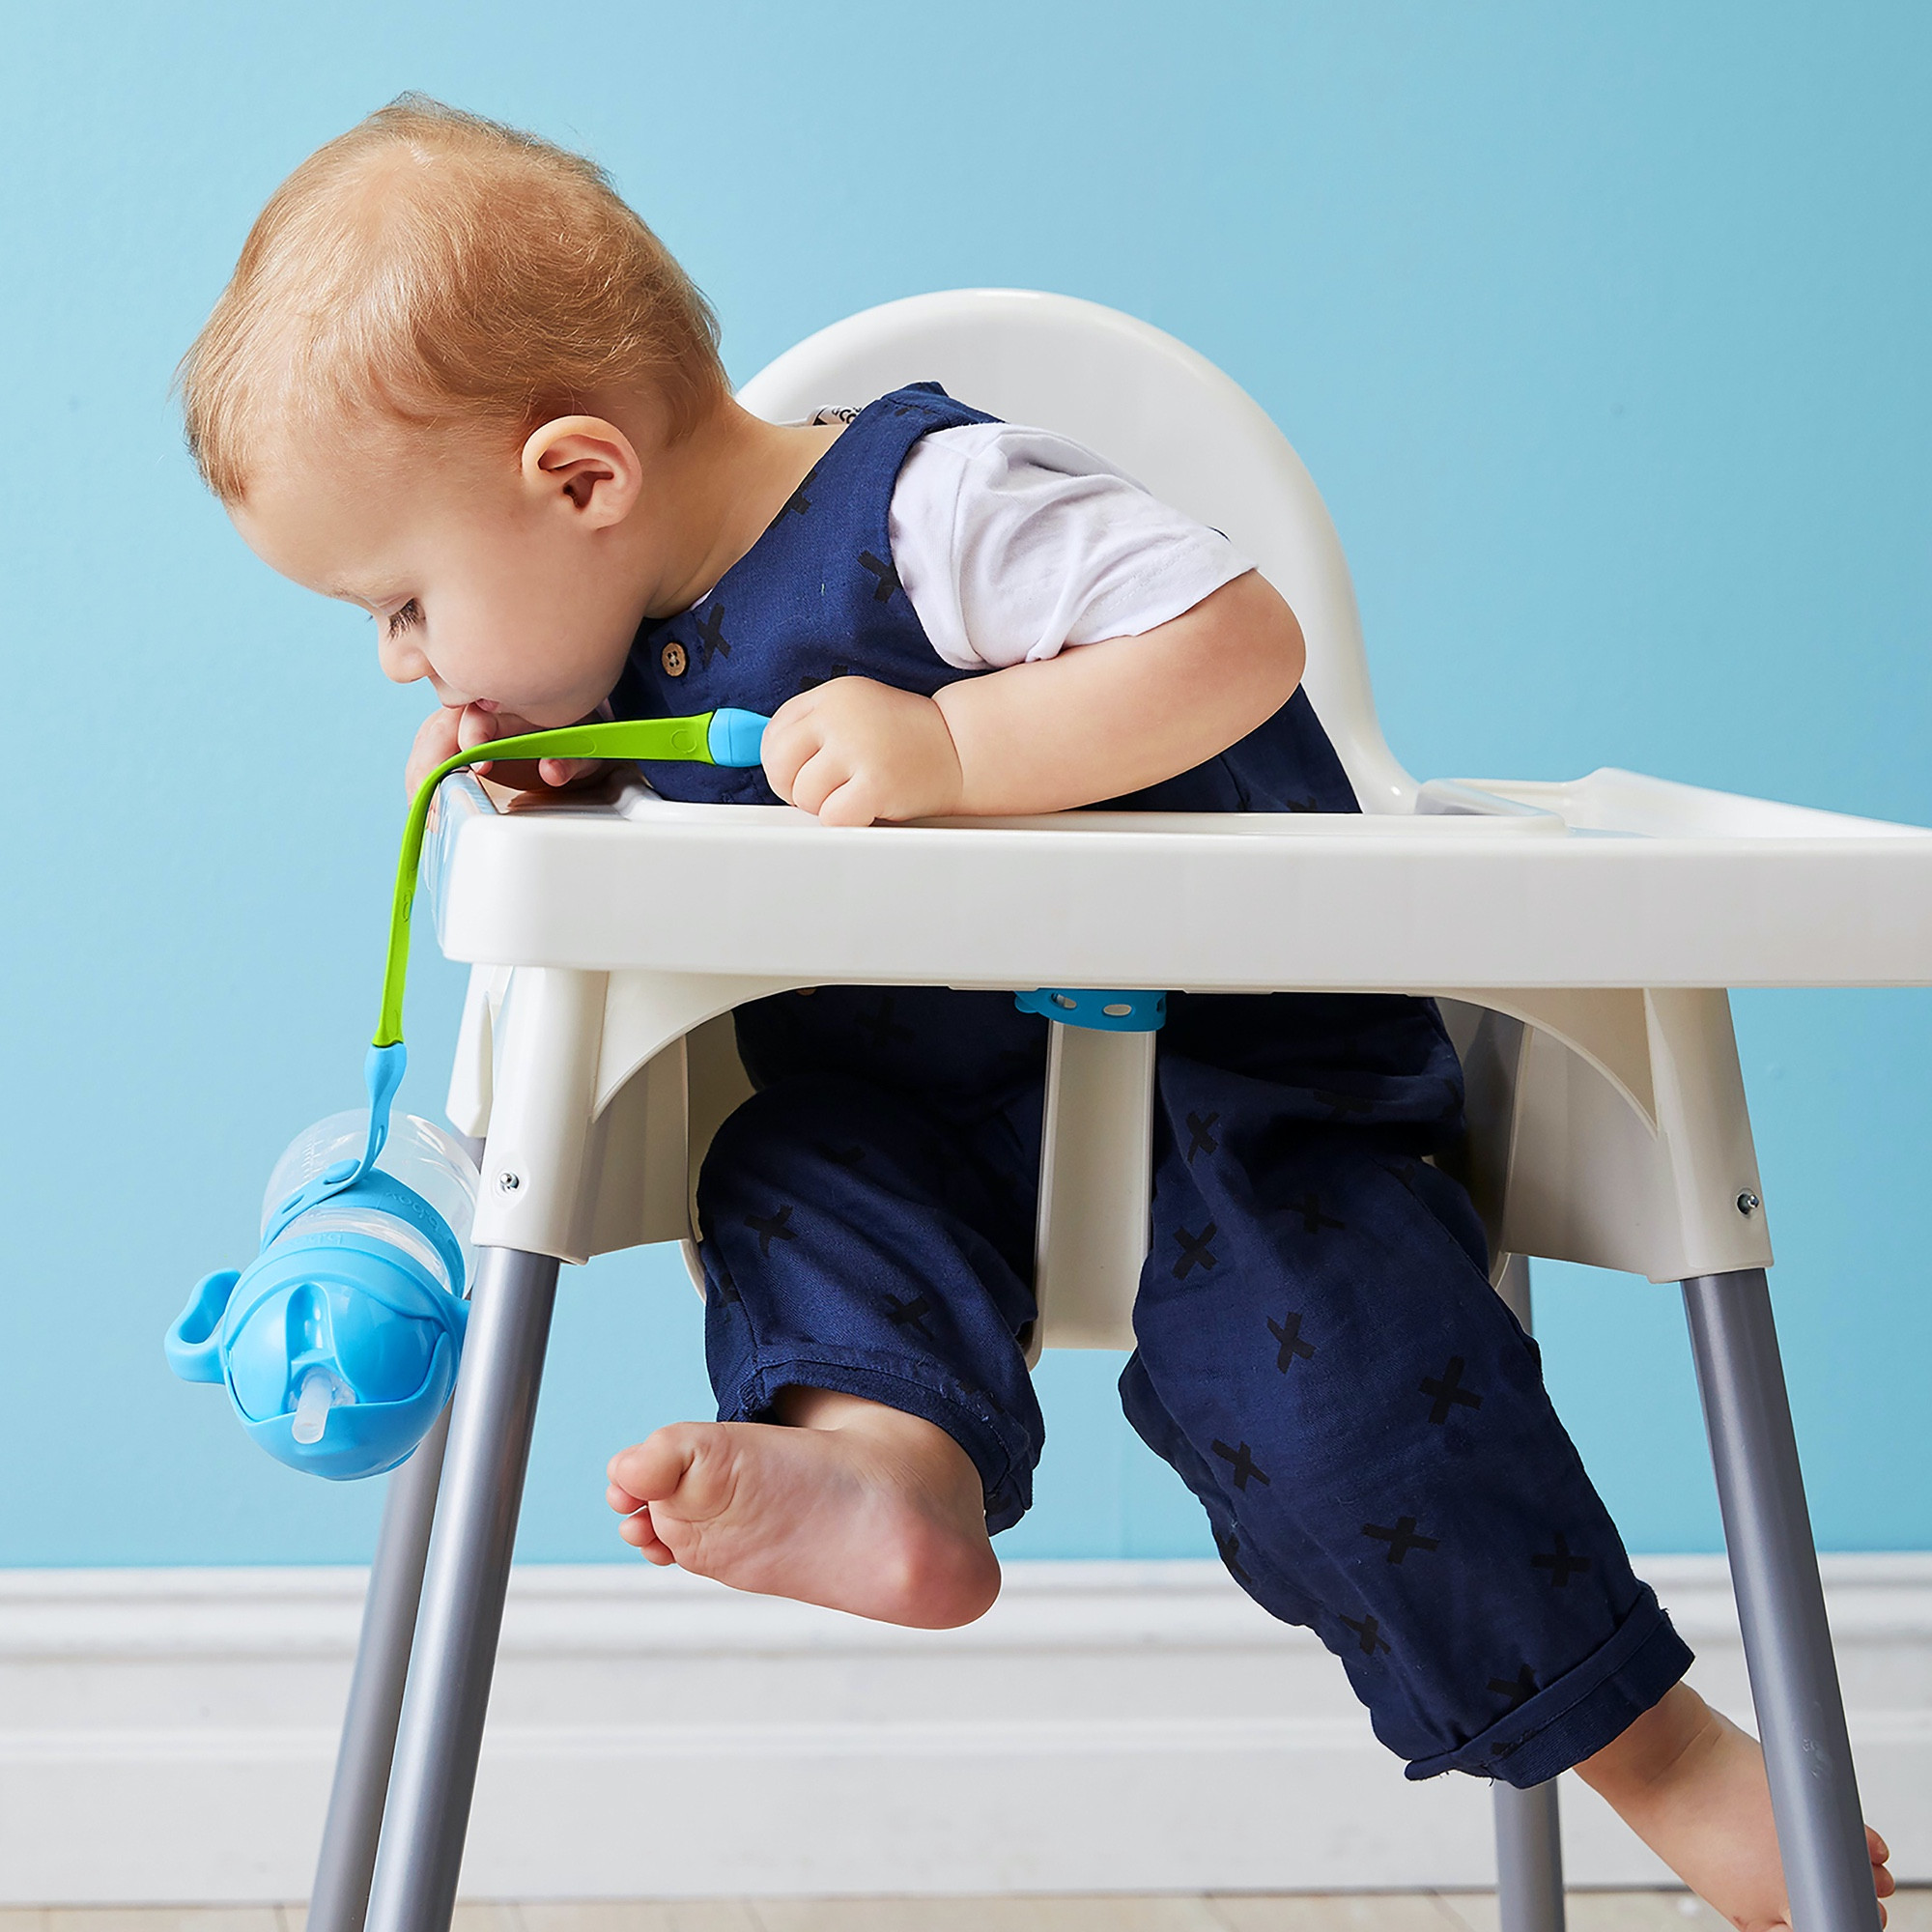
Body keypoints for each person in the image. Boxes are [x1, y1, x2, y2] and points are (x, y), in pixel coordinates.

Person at [178, 95, 1890, 1931]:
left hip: (1243, 1098)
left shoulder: (937, 507)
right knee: (788, 1172)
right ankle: (885, 1471)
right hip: (918, 1122)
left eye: (405, 603)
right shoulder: (636, 662)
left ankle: (1666, 1757)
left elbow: (1237, 638)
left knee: (1355, 1399)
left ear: (583, 481)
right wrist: (565, 776)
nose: (402, 660)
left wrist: (952, 745)